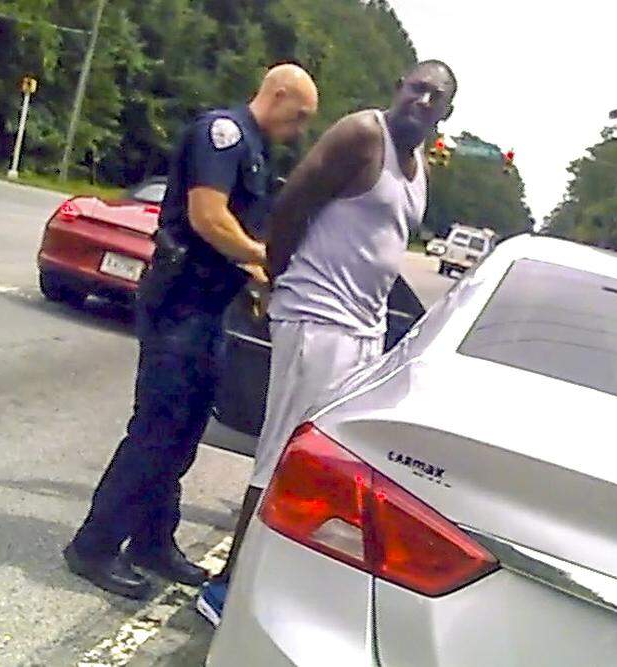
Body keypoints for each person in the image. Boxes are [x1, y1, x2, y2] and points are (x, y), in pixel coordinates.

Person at [196, 59, 457, 625]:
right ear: (398, 88)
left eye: (435, 97)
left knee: (320, 463)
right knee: (283, 455)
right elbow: (294, 204)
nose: (421, 100)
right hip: (318, 316)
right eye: (415, 88)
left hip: (363, 330)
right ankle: (227, 586)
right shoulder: (363, 135)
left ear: (446, 113)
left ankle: (272, 573)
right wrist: (277, 278)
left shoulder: (417, 169)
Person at [64, 64, 319, 599]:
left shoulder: (255, 148)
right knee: (157, 428)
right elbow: (208, 218)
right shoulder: (221, 134)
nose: (298, 131)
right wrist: (264, 260)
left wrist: (255, 278)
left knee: (184, 431)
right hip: (179, 303)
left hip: (209, 307)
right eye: (298, 118)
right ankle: (94, 545)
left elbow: (240, 227)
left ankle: (153, 541)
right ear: (276, 94)